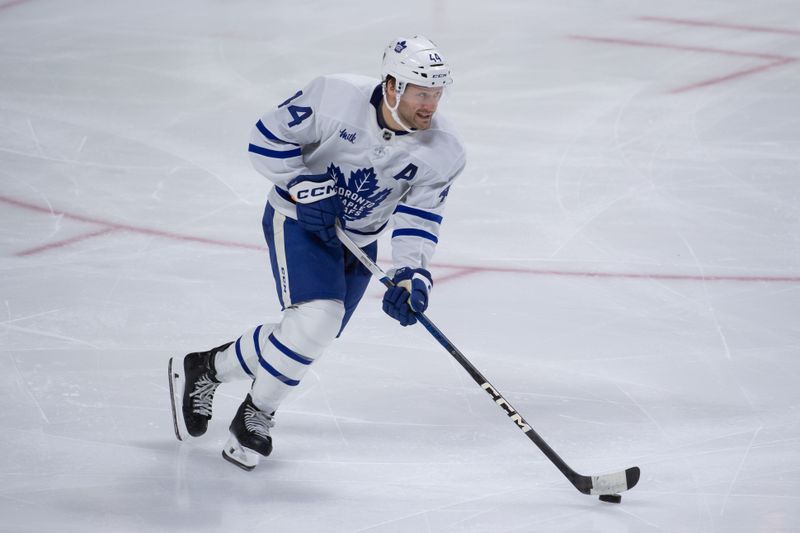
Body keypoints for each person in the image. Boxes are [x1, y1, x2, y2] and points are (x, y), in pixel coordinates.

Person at [168, 35, 466, 471]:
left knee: (310, 335)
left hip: (360, 240)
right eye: (422, 93)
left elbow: (419, 219)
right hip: (298, 222)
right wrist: (302, 185)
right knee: (317, 320)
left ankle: (205, 368)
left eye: (437, 94)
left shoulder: (445, 150)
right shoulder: (335, 96)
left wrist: (410, 275)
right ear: (391, 87)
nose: (430, 105)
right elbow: (266, 138)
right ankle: (257, 415)